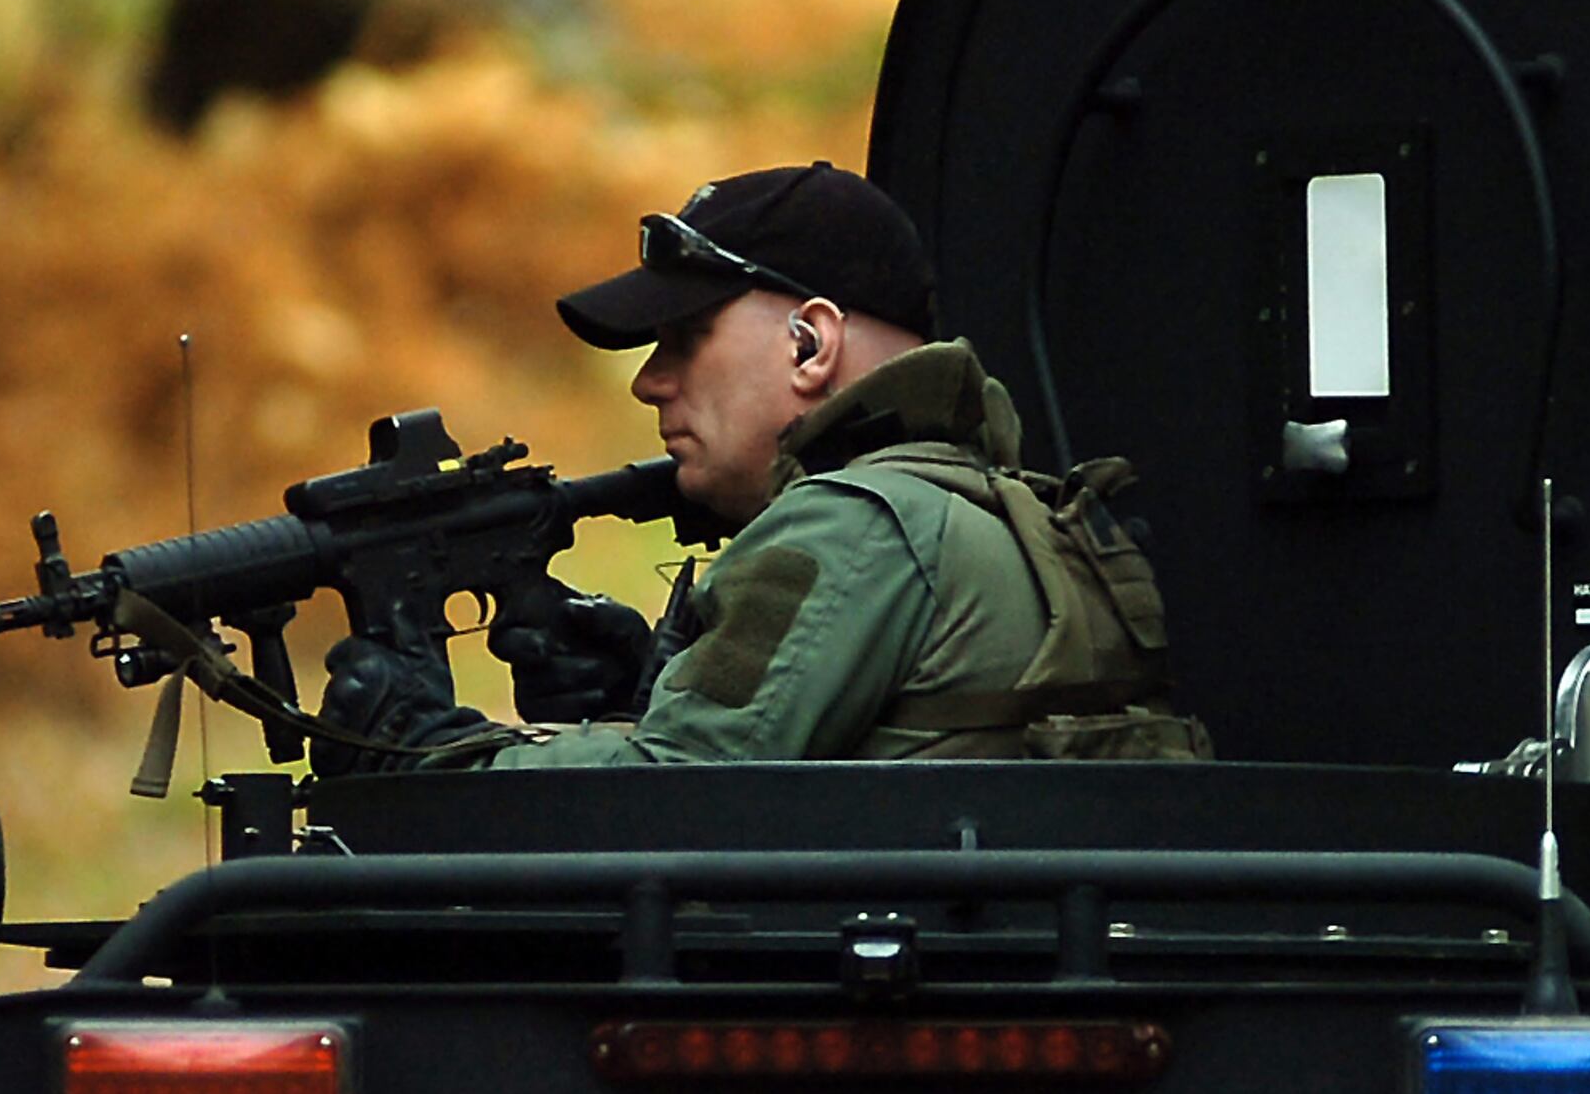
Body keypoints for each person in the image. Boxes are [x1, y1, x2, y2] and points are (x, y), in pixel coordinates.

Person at [314, 161, 1202, 770]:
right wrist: (643, 689)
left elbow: (679, 793)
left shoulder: (857, 521)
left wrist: (426, 752)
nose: (650, 383)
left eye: (684, 339)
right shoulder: (986, 505)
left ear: (810, 343)